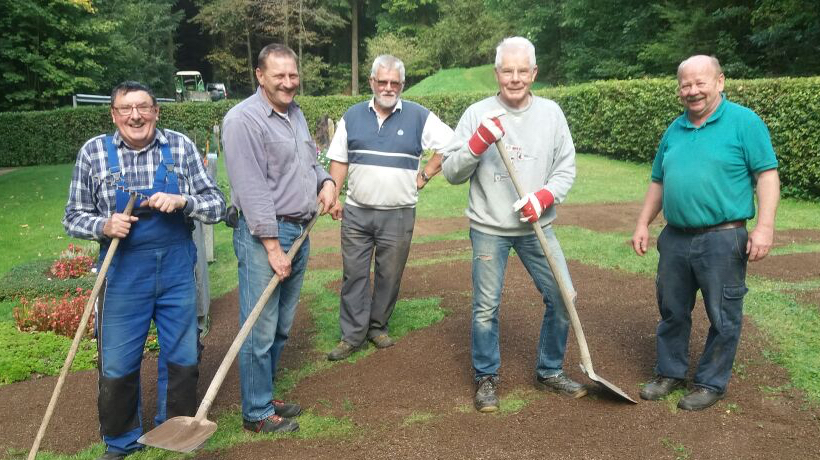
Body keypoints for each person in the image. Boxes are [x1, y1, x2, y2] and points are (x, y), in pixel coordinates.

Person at [63, 81, 226, 460]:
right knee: (118, 360)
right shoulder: (94, 153)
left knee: (183, 355)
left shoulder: (181, 147)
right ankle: (121, 441)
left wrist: (183, 200)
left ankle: (176, 429)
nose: (135, 116)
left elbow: (216, 204)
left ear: (156, 111)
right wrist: (103, 226)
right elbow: (72, 216)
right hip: (122, 273)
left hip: (175, 273)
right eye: (126, 109)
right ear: (114, 115)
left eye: (143, 107)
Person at [441, 37, 586, 413]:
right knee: (485, 307)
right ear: (497, 73)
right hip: (489, 227)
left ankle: (550, 370)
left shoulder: (551, 114)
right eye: (508, 70)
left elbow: (565, 168)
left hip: (537, 227)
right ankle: (486, 377)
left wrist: (544, 197)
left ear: (534, 72)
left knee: (563, 297)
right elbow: (451, 173)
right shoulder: (477, 114)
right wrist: (476, 144)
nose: (516, 78)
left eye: (523, 70)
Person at [632, 55, 780, 411]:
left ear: (720, 82)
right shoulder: (675, 129)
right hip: (676, 237)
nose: (693, 91)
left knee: (723, 314)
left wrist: (765, 226)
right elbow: (658, 181)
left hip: (723, 238)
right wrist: (642, 223)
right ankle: (669, 373)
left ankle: (710, 382)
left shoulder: (744, 122)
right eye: (686, 84)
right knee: (672, 309)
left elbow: (767, 176)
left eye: (700, 82)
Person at [222, 43, 336, 434]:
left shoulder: (295, 114)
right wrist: (272, 246)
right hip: (264, 235)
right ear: (260, 75)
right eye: (279, 76)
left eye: (292, 75)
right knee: (259, 326)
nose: (288, 83)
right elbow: (251, 188)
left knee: (282, 324)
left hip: (300, 231)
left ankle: (264, 393)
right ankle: (255, 413)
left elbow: (309, 162)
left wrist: (327, 182)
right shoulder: (243, 121)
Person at [324, 55, 454, 361]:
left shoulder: (419, 116)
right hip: (357, 212)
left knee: (389, 274)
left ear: (402, 85)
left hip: (398, 213)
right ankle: (352, 335)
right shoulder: (352, 116)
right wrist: (333, 191)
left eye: (394, 82)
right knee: (354, 274)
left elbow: (451, 144)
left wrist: (425, 174)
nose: (388, 87)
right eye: (382, 81)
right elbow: (340, 159)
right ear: (371, 82)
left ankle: (378, 327)